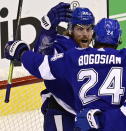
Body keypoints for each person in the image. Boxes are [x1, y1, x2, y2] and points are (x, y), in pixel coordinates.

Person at [4, 18, 126, 131]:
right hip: (115, 125)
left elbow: (42, 66)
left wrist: (20, 52)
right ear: (118, 40)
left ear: (94, 37)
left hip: (85, 124)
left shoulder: (74, 57)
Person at [33, 2, 95, 131]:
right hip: (61, 112)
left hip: (83, 117)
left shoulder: (92, 52)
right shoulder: (61, 43)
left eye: (88, 29)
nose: (85, 34)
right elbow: (41, 55)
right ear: (71, 29)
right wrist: (48, 29)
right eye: (80, 29)